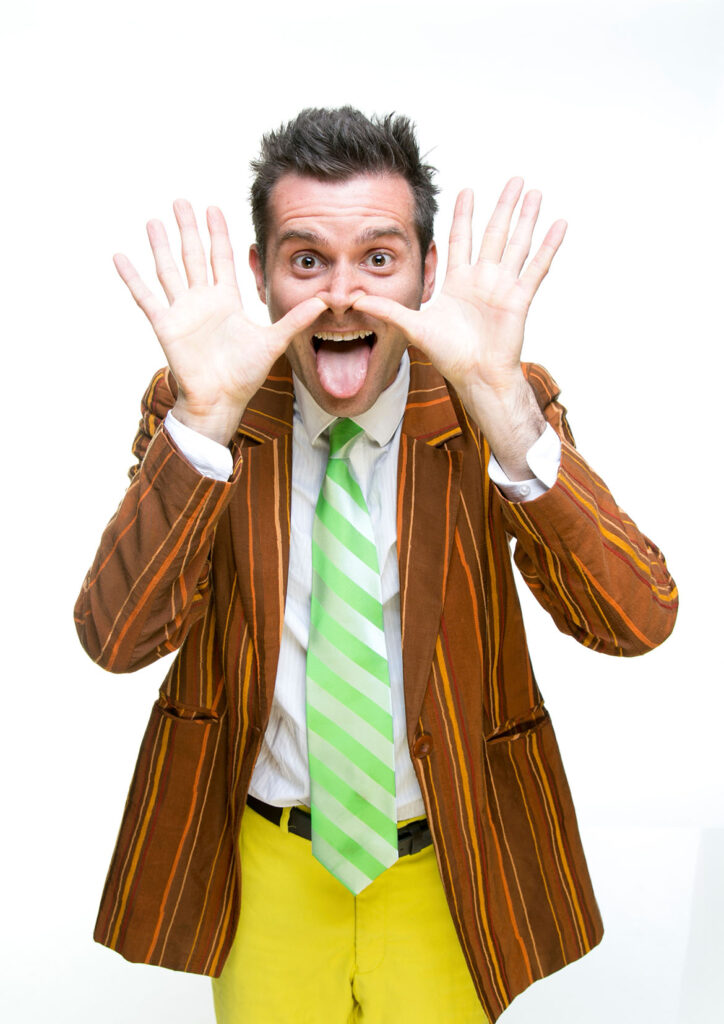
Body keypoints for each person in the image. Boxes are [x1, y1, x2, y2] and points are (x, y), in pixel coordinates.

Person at [75, 107, 678, 1024]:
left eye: (379, 257)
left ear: (427, 273)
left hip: (449, 861)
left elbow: (637, 619)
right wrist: (204, 423)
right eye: (306, 259)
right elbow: (115, 639)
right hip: (267, 863)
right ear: (261, 275)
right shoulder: (203, 406)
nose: (342, 296)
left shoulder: (487, 403)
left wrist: (505, 407)